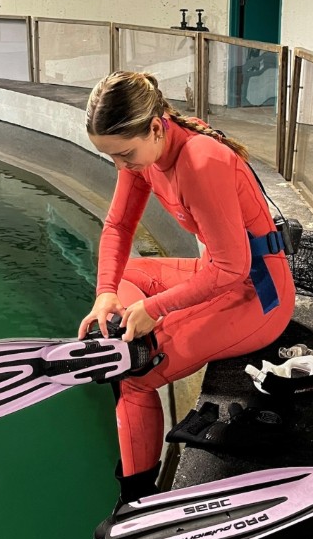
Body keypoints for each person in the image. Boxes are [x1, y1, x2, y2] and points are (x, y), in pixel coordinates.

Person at [79, 71, 295, 504]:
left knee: (136, 378)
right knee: (126, 279)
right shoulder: (149, 151)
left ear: (156, 127)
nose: (123, 167)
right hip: (225, 276)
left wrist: (156, 309)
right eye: (113, 158)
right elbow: (118, 226)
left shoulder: (200, 161)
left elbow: (233, 268)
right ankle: (126, 337)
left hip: (260, 296)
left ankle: (136, 500)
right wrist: (106, 294)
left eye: (125, 155)